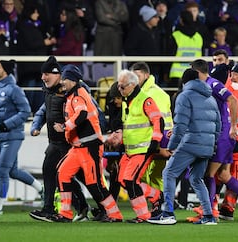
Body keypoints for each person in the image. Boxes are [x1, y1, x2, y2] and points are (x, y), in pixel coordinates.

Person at [190, 59, 238, 223]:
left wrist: (234, 128)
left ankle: (209, 211)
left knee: (210, 174)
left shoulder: (217, 86)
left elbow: (233, 105)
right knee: (223, 174)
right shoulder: (218, 86)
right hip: (228, 137)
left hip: (226, 137)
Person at [147, 68, 221, 225]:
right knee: (196, 179)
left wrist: (172, 145)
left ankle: (167, 213)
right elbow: (217, 125)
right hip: (207, 146)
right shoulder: (211, 98)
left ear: (185, 81)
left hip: (190, 144)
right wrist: (212, 145)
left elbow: (181, 125)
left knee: (169, 173)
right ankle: (208, 216)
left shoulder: (184, 96)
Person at [50, 64, 123, 223]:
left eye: (65, 79)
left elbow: (82, 113)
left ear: (73, 80)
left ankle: (114, 214)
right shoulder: (73, 94)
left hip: (90, 147)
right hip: (78, 147)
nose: (62, 81)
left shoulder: (78, 95)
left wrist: (65, 126)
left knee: (94, 184)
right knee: (62, 173)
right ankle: (65, 213)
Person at [28, 56, 90, 222]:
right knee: (53, 172)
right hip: (55, 142)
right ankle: (52, 208)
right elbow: (43, 111)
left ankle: (90, 207)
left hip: (71, 142)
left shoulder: (73, 90)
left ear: (57, 74)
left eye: (46, 74)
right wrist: (36, 126)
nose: (43, 78)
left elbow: (90, 112)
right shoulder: (49, 90)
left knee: (79, 177)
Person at [0, 60, 43, 215]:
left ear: (6, 71)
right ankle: (42, 189)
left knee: (2, 170)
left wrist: (7, 124)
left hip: (13, 135)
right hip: (0, 136)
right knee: (12, 171)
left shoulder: (14, 90)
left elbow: (25, 111)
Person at [115, 69, 164, 223]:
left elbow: (158, 120)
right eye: (118, 86)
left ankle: (143, 215)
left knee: (130, 181)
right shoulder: (126, 101)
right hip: (130, 151)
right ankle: (156, 195)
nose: (119, 90)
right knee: (123, 180)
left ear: (133, 85)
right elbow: (130, 126)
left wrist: (155, 141)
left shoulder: (145, 99)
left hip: (143, 150)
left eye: (122, 87)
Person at [130, 61, 173, 216]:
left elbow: (159, 122)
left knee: (156, 175)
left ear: (146, 75)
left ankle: (163, 207)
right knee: (150, 176)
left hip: (159, 141)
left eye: (138, 75)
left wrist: (161, 144)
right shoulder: (142, 92)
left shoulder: (155, 94)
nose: (134, 78)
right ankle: (159, 206)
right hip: (149, 141)